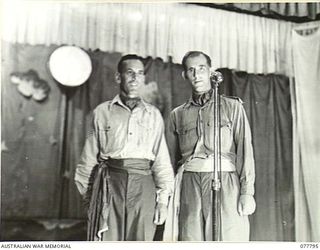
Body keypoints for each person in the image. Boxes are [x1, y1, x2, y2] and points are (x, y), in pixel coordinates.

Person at [74, 54, 174, 241]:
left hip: (144, 187)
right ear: (119, 77)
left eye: (140, 73)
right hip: (110, 186)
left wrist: (162, 202)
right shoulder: (102, 112)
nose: (135, 78)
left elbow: (162, 161)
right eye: (130, 73)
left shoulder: (153, 115)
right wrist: (90, 201)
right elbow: (87, 160)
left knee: (141, 240)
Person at [165, 51, 256, 241]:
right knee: (190, 239)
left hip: (226, 181)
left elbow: (245, 151)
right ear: (185, 75)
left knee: (227, 238)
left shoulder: (232, 107)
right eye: (191, 70)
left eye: (201, 68)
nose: (196, 74)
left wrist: (247, 192)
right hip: (189, 184)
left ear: (210, 71)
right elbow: (171, 161)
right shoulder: (177, 114)